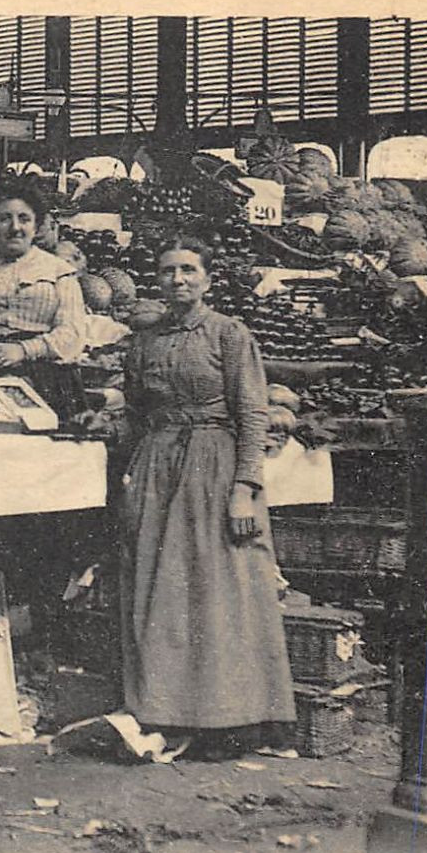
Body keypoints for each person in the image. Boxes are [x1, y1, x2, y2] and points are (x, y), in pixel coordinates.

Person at [118, 236, 294, 760]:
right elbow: (134, 410)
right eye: (169, 270)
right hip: (158, 467)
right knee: (160, 591)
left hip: (215, 468)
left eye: (189, 269)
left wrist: (245, 490)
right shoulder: (144, 341)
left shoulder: (229, 334)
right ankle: (166, 713)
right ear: (158, 279)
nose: (179, 280)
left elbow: (254, 415)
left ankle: (233, 720)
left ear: (208, 279)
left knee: (222, 591)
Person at [0, 184, 92, 371]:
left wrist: (24, 350)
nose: (15, 228)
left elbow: (73, 334)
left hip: (44, 370)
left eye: (24, 219)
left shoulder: (59, 272)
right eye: (5, 219)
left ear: (36, 226)